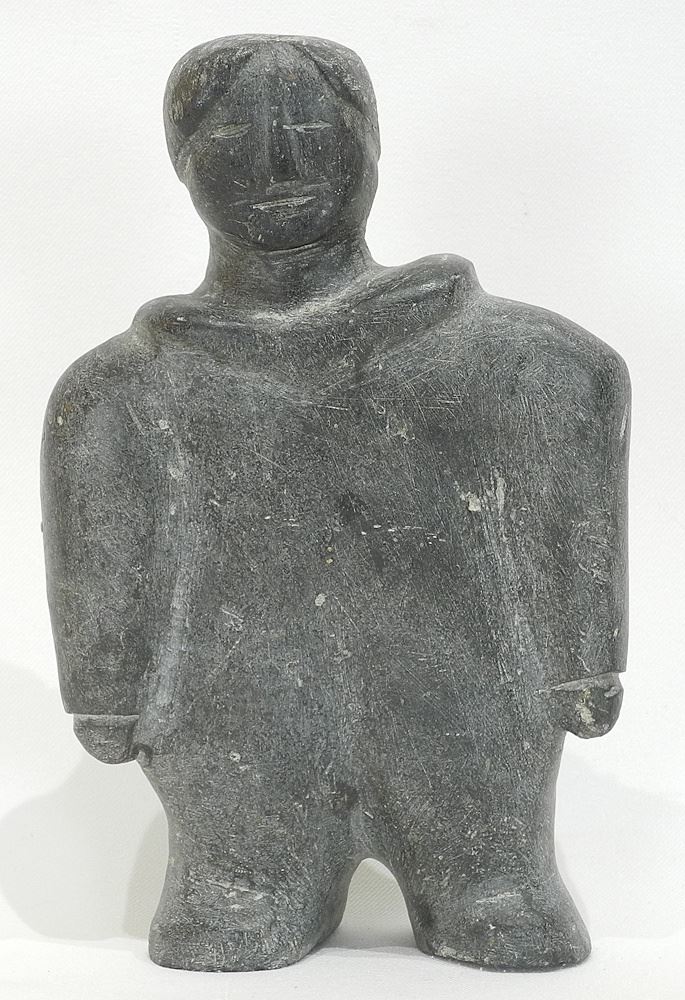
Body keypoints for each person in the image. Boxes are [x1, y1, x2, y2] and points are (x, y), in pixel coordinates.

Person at [42, 34, 630, 972]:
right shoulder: (123, 389)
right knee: (226, 917)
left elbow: (576, 444)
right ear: (181, 162)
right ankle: (245, 875)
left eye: (312, 127)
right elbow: (101, 554)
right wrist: (104, 693)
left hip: (472, 747)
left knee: (503, 910)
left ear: (371, 144)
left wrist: (582, 664)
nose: (278, 163)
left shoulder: (521, 360)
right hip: (231, 752)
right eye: (232, 133)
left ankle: (487, 873)